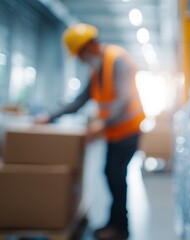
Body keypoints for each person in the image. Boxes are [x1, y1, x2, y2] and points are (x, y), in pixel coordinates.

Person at [35, 23, 145, 240]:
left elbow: (122, 99)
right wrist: (50, 116)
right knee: (111, 175)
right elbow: (80, 99)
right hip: (115, 133)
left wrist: (100, 124)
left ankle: (121, 228)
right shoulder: (98, 69)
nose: (80, 59)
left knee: (115, 176)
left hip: (128, 131)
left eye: (80, 54)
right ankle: (114, 223)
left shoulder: (117, 59)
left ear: (89, 46)